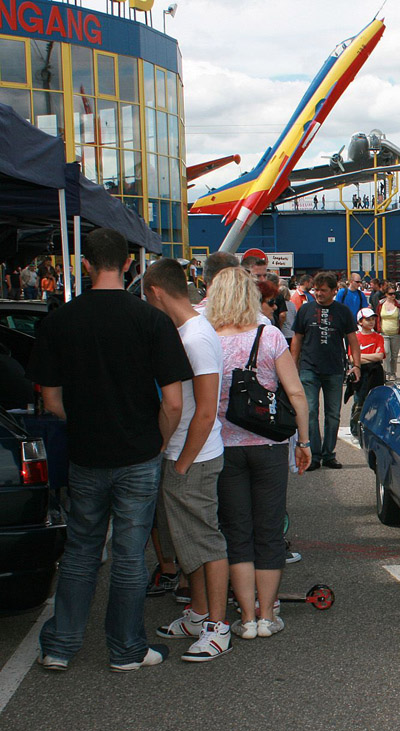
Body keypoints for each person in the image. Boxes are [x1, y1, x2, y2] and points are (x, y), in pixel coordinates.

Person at [30, 228, 192, 672]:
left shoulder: (60, 320)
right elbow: (174, 401)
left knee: (81, 550)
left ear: (85, 264)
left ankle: (60, 645)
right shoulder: (151, 320)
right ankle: (126, 649)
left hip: (86, 452)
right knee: (130, 553)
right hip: (138, 451)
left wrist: (79, 423)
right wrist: (157, 439)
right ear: (127, 265)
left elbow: (50, 399)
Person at [206, 267, 311, 640]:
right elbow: (296, 393)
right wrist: (303, 441)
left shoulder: (208, 339)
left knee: (236, 532)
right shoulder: (269, 336)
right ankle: (268, 616)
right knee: (268, 531)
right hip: (268, 446)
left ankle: (246, 617)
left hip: (223, 447)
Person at [142, 259, 232, 661]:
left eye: (147, 297)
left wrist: (180, 462)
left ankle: (217, 626)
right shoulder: (188, 330)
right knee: (189, 543)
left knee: (206, 542)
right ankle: (198, 614)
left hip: (193, 456)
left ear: (156, 292)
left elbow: (207, 410)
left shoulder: (195, 336)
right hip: (185, 453)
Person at [292, 271, 360, 470]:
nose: (319, 294)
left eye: (323, 291)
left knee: (333, 414)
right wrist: (292, 366)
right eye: (316, 290)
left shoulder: (343, 311)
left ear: (333, 291)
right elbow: (297, 339)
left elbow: (352, 340)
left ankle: (329, 454)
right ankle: (314, 455)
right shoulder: (305, 311)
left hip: (334, 369)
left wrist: (356, 365)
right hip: (308, 368)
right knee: (310, 412)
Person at [349, 307, 386, 437]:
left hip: (375, 372)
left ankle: (373, 428)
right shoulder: (356, 337)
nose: (371, 322)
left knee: (376, 401)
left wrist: (361, 356)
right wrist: (362, 358)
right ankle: (355, 430)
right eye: (368, 320)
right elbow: (352, 358)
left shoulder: (378, 337)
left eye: (373, 320)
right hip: (361, 372)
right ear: (360, 321)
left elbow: (380, 356)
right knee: (359, 402)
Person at [378, 286, 400, 379]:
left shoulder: (399, 305)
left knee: (394, 355)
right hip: (384, 333)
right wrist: (377, 329)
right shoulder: (381, 304)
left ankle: (393, 372)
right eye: (390, 294)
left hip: (396, 333)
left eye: (394, 293)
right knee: (386, 353)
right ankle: (386, 372)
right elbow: (378, 317)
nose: (393, 295)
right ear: (386, 294)